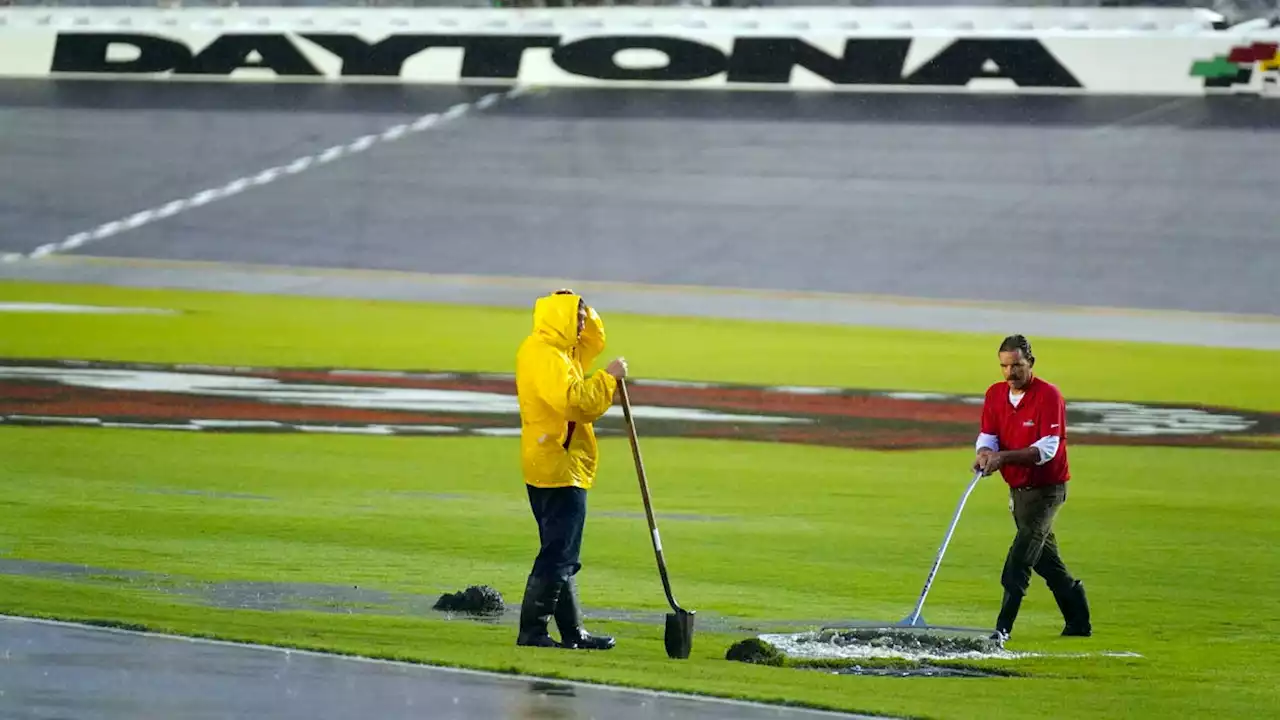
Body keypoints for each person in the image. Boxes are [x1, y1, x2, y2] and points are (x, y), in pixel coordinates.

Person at [514, 288, 628, 650]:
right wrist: (608, 380)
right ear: (559, 318)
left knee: (561, 551)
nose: (582, 324)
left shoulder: (556, 349)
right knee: (559, 554)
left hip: (552, 461)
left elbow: (595, 340)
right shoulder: (547, 356)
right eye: (576, 317)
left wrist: (582, 307)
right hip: (558, 465)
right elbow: (576, 403)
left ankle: (572, 632)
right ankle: (532, 632)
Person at [973, 334, 1092, 644]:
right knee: (1046, 562)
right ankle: (1079, 622)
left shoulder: (1049, 396)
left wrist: (1002, 458)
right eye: (1004, 366)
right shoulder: (995, 395)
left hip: (1047, 490)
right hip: (1018, 493)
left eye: (1017, 366)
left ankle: (1001, 631)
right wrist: (985, 454)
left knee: (1021, 556)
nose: (1010, 373)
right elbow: (988, 435)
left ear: (1031, 364)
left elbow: (1047, 449)